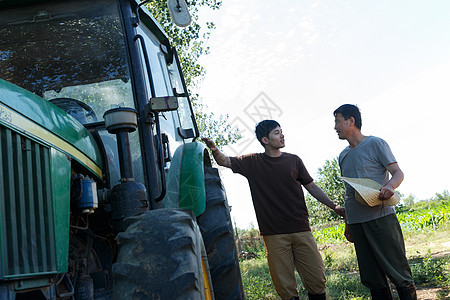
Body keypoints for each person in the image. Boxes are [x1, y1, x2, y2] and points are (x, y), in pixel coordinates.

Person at [202, 120, 345, 300]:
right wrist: (215, 151)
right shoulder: (252, 162)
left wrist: (334, 206)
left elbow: (312, 187)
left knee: (317, 280)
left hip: (301, 229)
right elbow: (225, 161)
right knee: (285, 288)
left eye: (281, 131)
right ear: (265, 140)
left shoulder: (294, 160)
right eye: (277, 132)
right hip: (274, 235)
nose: (282, 135)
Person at [333, 104, 416, 300]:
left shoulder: (376, 144)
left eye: (337, 121)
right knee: (372, 278)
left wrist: (389, 187)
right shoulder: (343, 155)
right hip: (357, 223)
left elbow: (398, 173)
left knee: (398, 272)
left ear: (350, 121)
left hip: (381, 219)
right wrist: (348, 223)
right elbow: (348, 193)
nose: (334, 127)